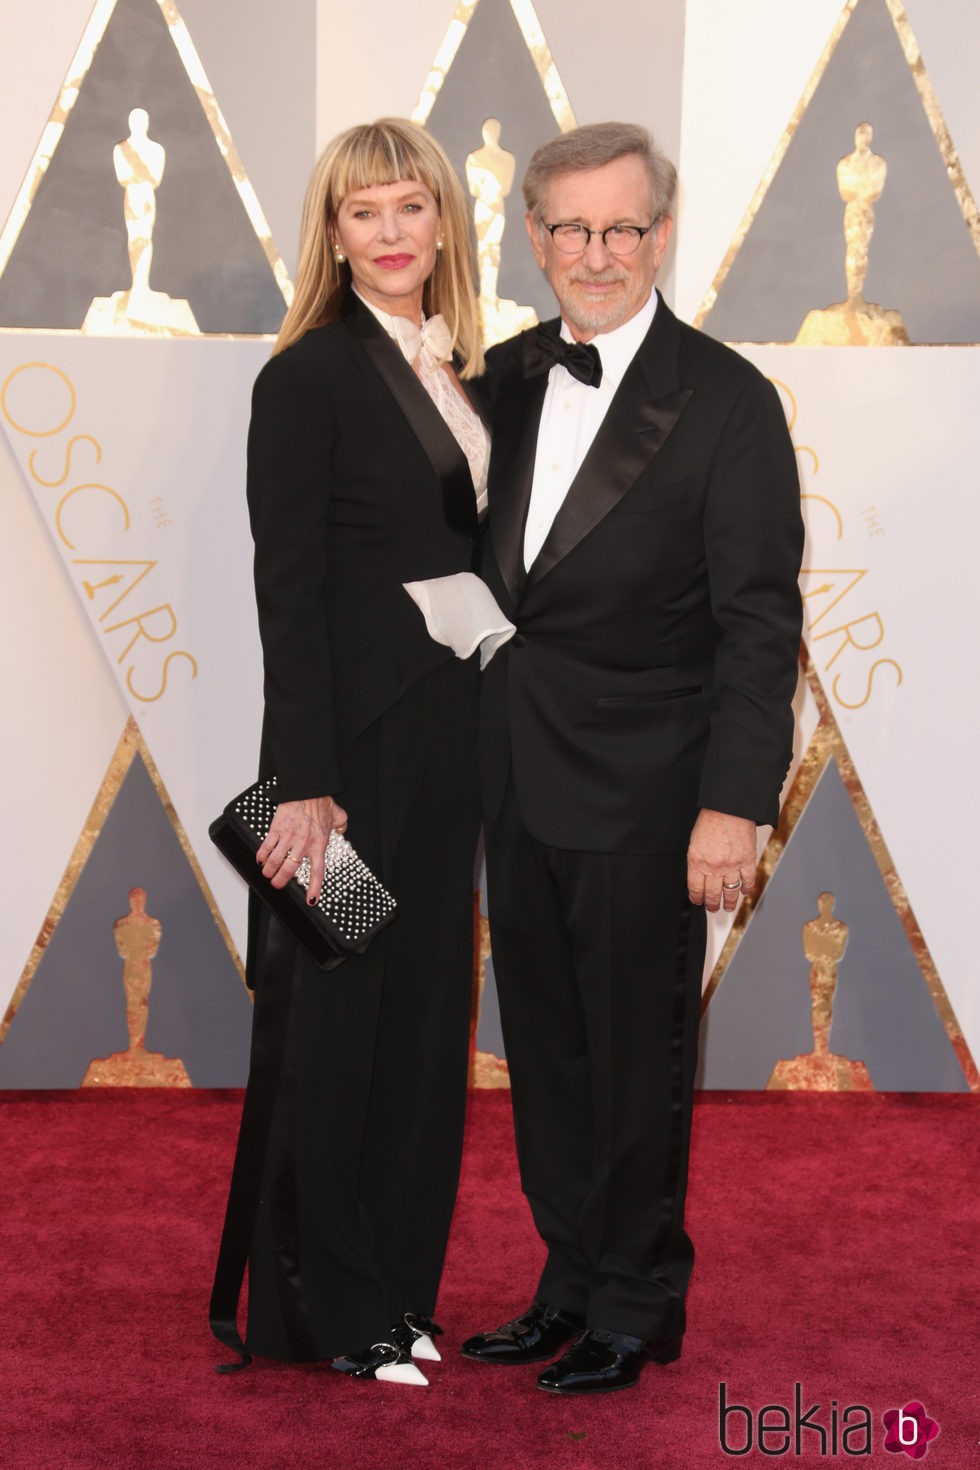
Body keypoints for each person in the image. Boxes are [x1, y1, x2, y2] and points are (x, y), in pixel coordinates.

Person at [462, 123, 804, 1395]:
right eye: (567, 228)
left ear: (659, 235)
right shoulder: (495, 378)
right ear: (535, 237)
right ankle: (566, 1278)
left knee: (635, 1060)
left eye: (618, 228)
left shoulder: (725, 401)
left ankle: (636, 1301)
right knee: (543, 1050)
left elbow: (760, 626)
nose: (592, 254)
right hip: (511, 774)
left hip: (653, 797)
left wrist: (732, 808)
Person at [211, 118, 493, 1387]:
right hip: (343, 762)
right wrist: (304, 781)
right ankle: (324, 1307)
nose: (390, 232)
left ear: (443, 223)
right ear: (333, 233)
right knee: (339, 1021)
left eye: (410, 207)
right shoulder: (306, 377)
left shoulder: (468, 373)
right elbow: (291, 589)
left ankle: (398, 1291)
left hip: (450, 743)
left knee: (427, 1028)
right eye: (364, 211)